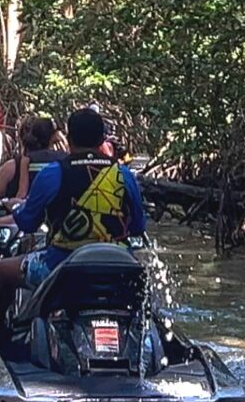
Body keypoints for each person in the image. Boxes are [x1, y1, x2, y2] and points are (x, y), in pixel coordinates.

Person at [9, 106, 147, 292]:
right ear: (102, 139)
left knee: (2, 271)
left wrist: (16, 208)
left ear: (70, 139)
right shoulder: (124, 174)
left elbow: (27, 223)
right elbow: (138, 227)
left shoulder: (52, 173)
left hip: (61, 265)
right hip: (118, 266)